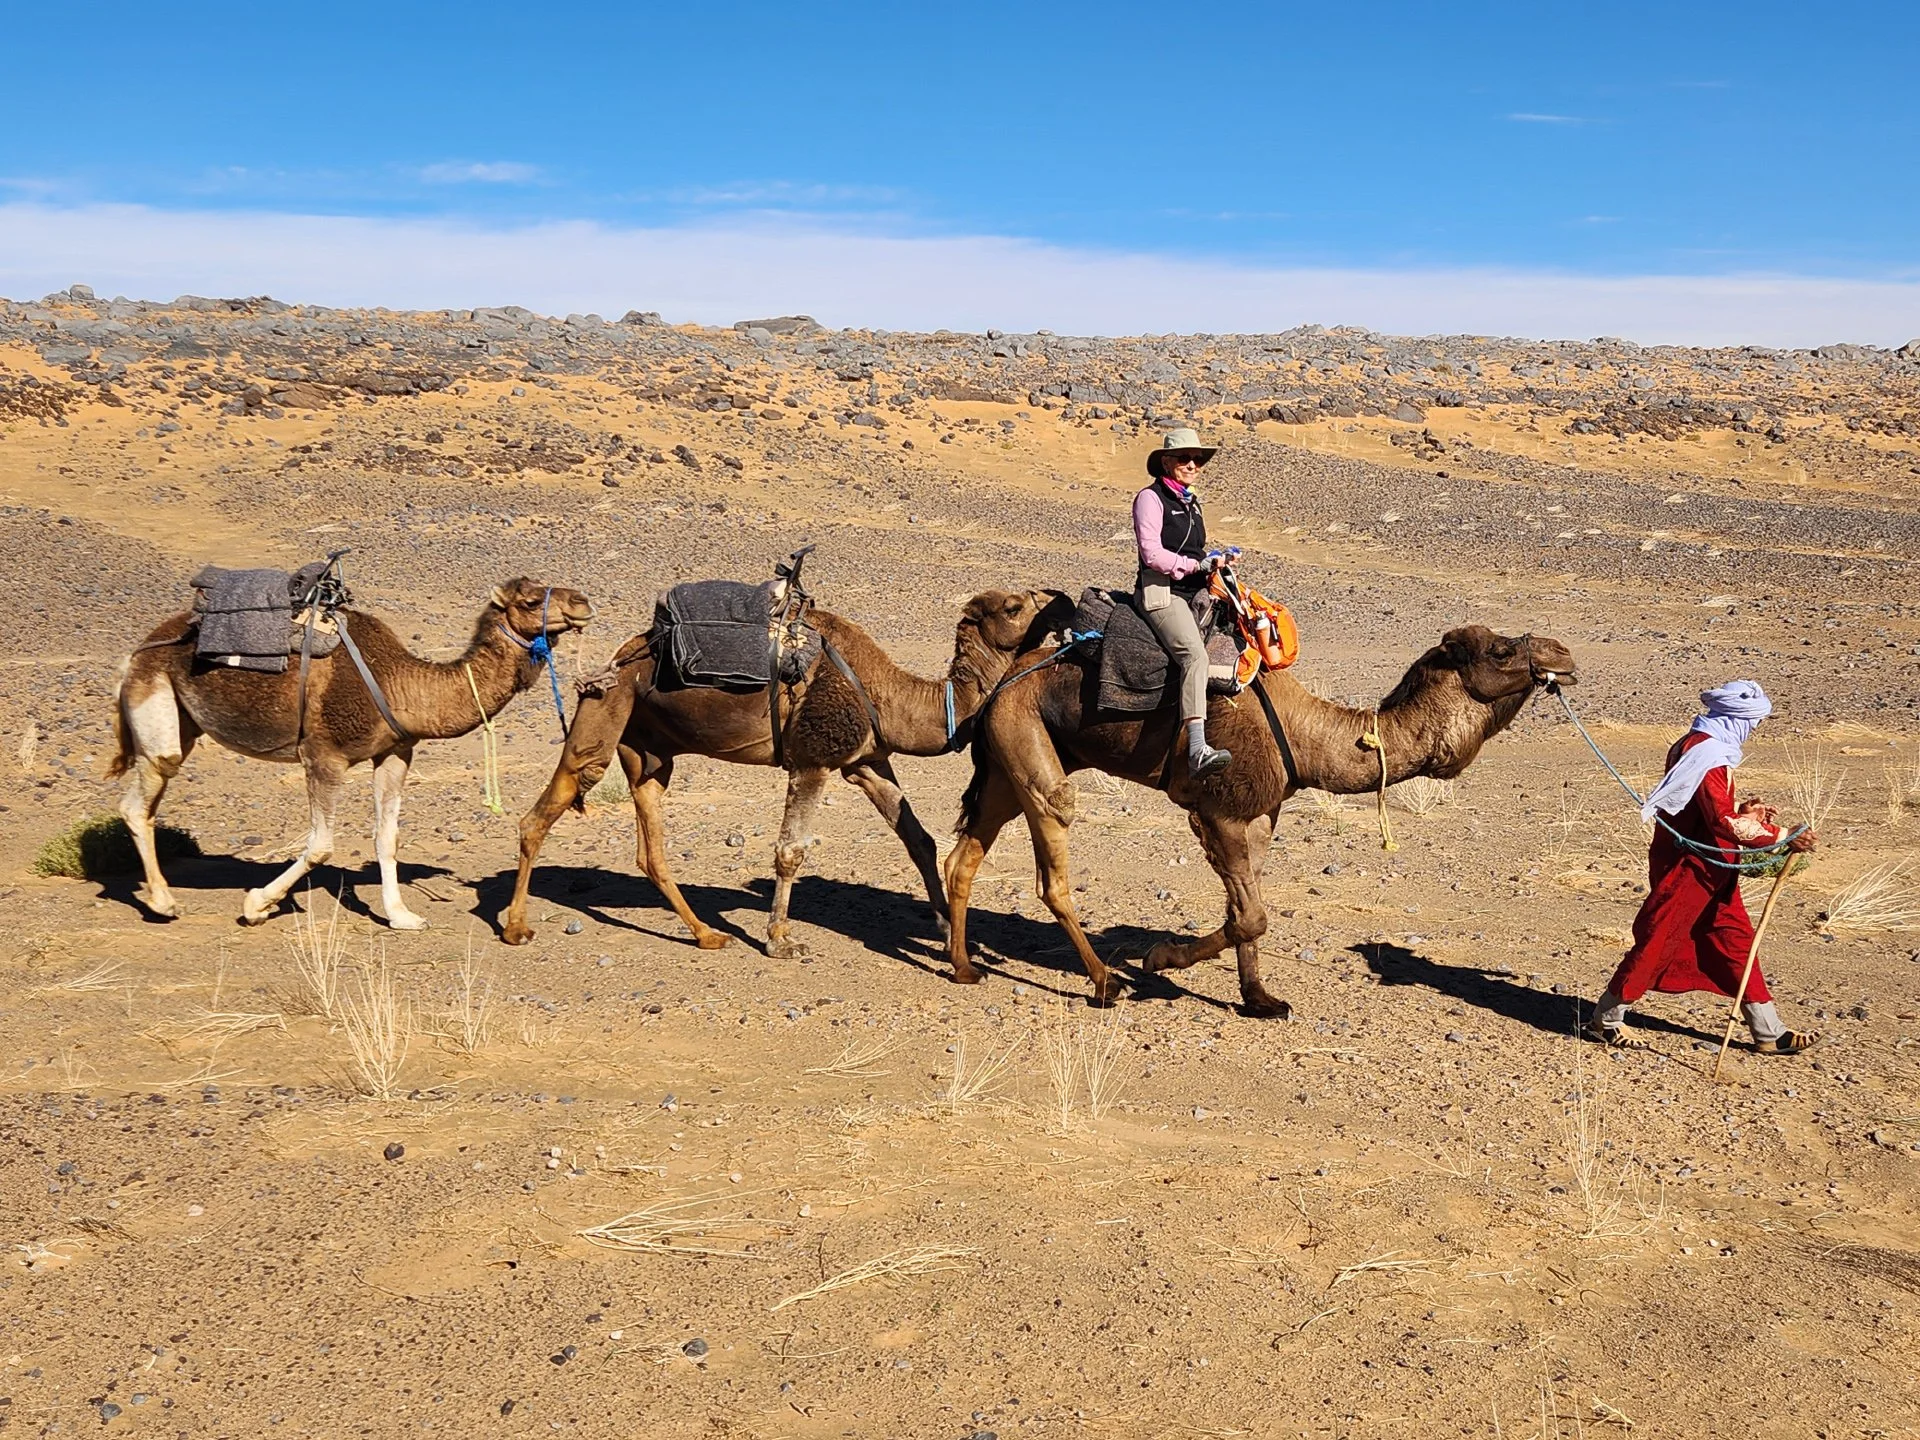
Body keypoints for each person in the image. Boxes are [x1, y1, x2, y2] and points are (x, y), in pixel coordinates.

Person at [1583, 679, 1820, 1054]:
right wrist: (1781, 835)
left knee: (1735, 941)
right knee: (1659, 938)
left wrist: (1744, 812)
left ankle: (1769, 1032)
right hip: (1690, 869)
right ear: (1736, 719)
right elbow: (1720, 821)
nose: (1753, 729)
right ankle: (1605, 1020)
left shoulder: (1696, 745)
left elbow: (1707, 809)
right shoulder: (1708, 755)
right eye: (1753, 722)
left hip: (1713, 869)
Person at [1133, 426, 1231, 779]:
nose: (1193, 465)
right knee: (1195, 656)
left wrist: (1215, 561)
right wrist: (1193, 566)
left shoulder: (1191, 502)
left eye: (1198, 459)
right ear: (1166, 462)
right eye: (1185, 458)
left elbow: (1194, 549)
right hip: (1162, 592)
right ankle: (1197, 749)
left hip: (1196, 590)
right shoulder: (1150, 499)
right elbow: (1152, 553)